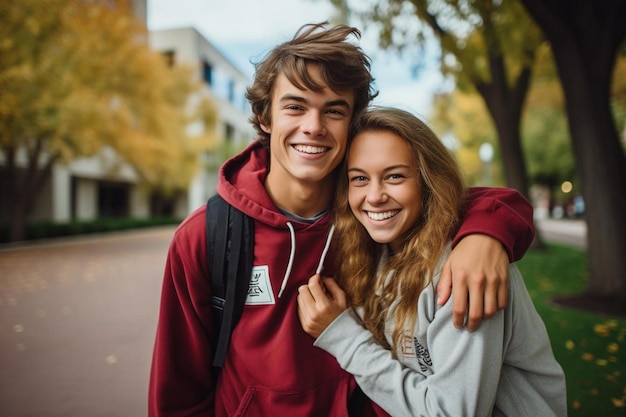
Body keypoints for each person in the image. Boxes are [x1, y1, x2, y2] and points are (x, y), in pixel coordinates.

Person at [148, 22, 537, 416]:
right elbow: (177, 390)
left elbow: (451, 199)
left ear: (351, 125)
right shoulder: (206, 236)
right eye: (295, 106)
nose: (313, 127)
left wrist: (485, 234)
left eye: (333, 110)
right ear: (265, 118)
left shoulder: (368, 213)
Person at [297, 107, 567, 417]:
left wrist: (343, 337)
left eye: (394, 176)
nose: (374, 196)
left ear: (427, 181)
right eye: (359, 178)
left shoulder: (463, 273)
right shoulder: (376, 255)